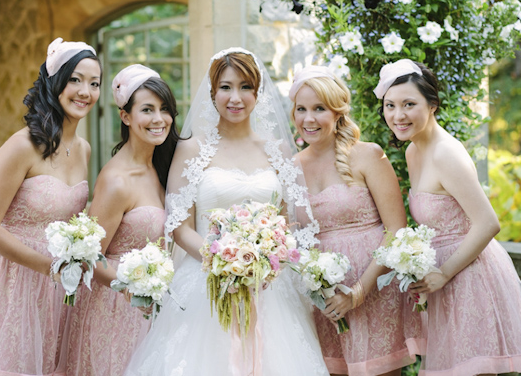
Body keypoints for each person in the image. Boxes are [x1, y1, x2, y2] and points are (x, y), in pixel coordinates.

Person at [124, 47, 329, 376]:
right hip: (206, 281)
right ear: (212, 92)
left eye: (246, 87)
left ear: (257, 93)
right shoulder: (192, 148)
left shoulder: (276, 150)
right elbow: (180, 224)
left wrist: (268, 257)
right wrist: (222, 261)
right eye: (226, 87)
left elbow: (293, 223)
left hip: (270, 286)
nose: (236, 97)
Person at [0, 37, 101, 376]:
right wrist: (49, 267)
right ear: (55, 83)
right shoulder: (22, 145)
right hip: (6, 283)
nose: (85, 91)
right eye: (75, 80)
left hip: (51, 291)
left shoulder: (83, 149)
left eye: (94, 83)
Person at [376, 58, 521, 376]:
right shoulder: (413, 151)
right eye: (390, 105)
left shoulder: (446, 153)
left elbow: (488, 222)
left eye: (409, 104)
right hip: (441, 281)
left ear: (432, 105)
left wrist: (443, 273)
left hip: (469, 277)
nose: (398, 115)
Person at [289, 66, 423, 376]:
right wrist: (319, 287)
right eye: (301, 109)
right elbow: (293, 237)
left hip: (374, 293)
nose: (309, 119)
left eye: (319, 108)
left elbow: (396, 231)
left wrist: (359, 292)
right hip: (324, 301)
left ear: (337, 112)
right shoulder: (290, 167)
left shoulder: (367, 155)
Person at [62, 65, 181, 375]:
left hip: (153, 311)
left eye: (164, 108)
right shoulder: (118, 181)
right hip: (116, 312)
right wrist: (131, 288)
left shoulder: (162, 166)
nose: (159, 119)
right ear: (125, 116)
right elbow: (88, 255)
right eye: (147, 110)